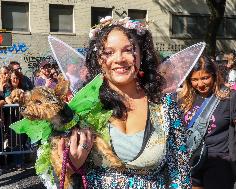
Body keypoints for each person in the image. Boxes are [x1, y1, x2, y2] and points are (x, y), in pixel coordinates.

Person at [58, 17, 191, 188]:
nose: (119, 59)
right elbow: (56, 173)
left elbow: (180, 174)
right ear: (98, 59)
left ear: (142, 55)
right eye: (108, 52)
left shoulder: (165, 107)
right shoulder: (82, 108)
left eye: (128, 50)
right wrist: (72, 165)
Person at [178, 56, 236, 189]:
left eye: (205, 78)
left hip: (218, 162)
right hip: (191, 161)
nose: (200, 84)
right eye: (194, 79)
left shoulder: (229, 97)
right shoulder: (184, 100)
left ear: (214, 76)